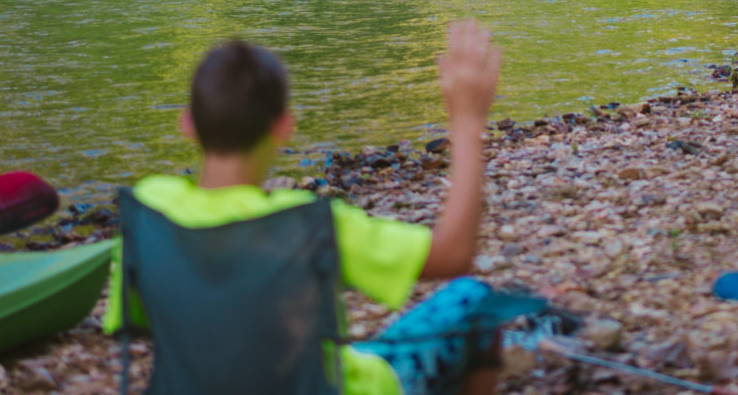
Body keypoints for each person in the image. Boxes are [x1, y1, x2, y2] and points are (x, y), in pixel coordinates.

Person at [105, 21, 505, 395]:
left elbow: (144, 323)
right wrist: (467, 122)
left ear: (188, 124)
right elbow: (454, 254)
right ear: (283, 126)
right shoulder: (308, 223)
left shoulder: (147, 213)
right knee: (475, 301)